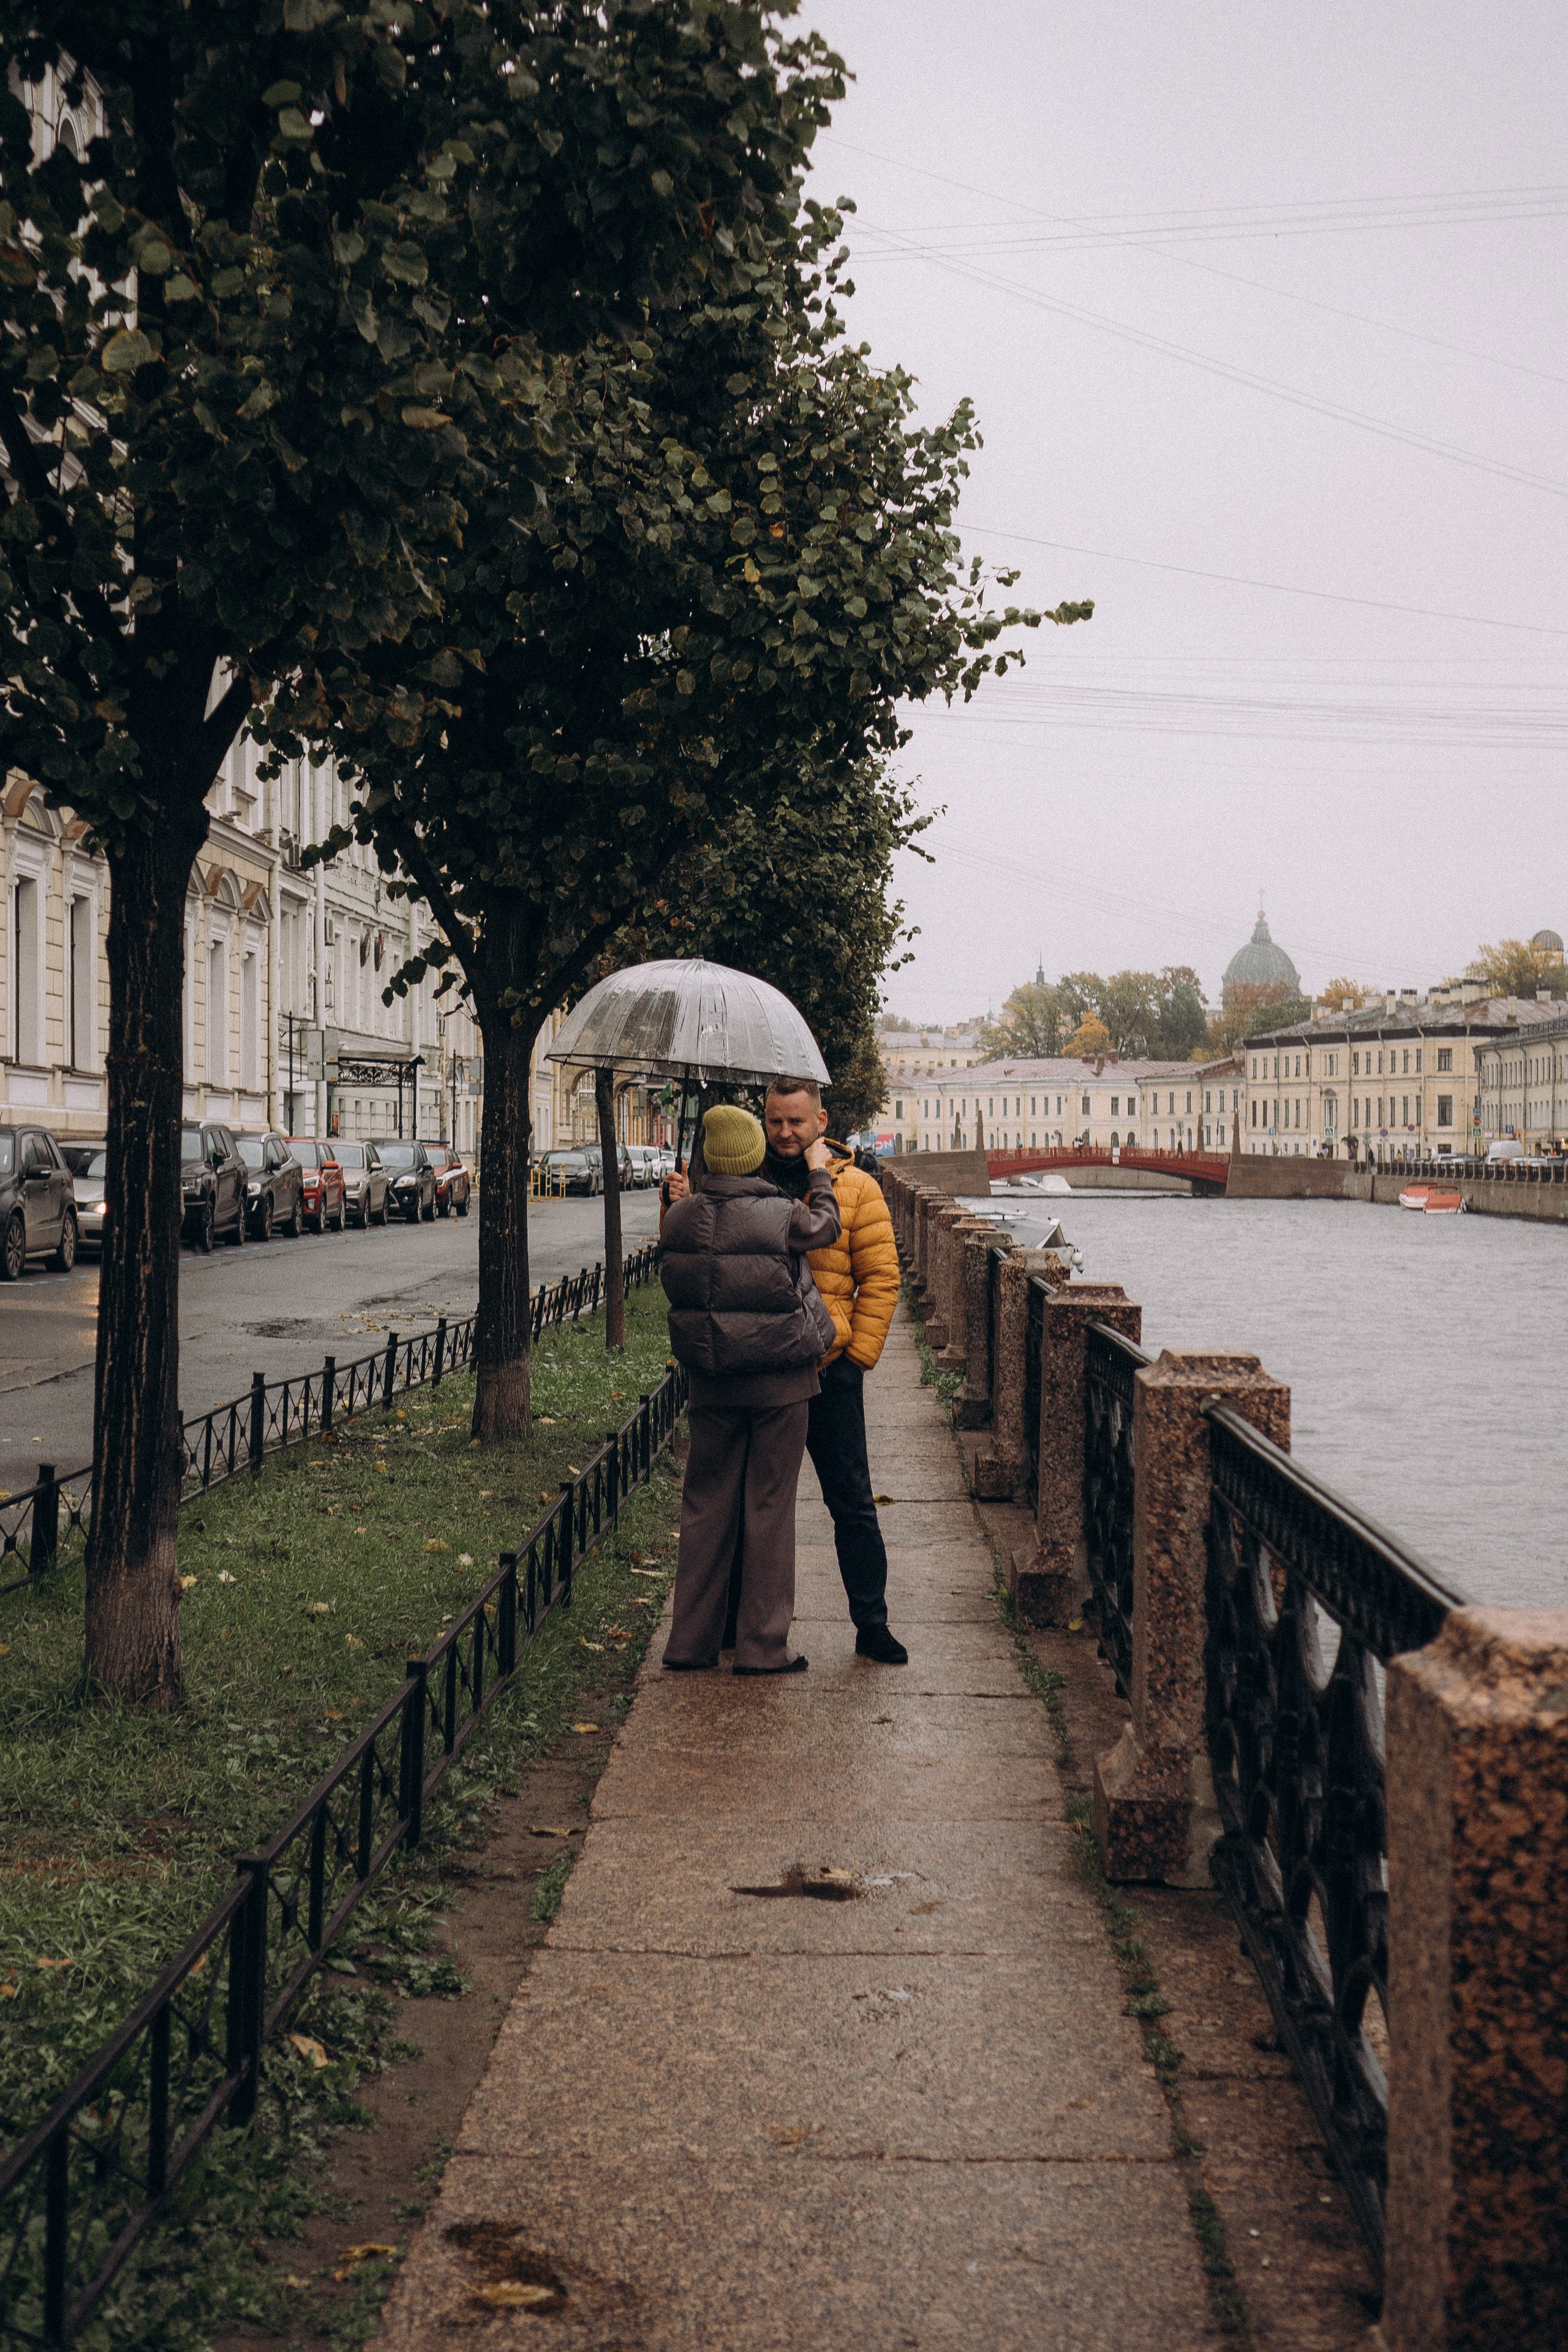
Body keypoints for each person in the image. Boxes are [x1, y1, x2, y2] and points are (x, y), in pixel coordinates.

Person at [667, 1077, 907, 1665]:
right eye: (775, 1121)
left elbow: (881, 1277)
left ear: (821, 1123)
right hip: (764, 1370)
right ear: (762, 1126)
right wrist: (679, 1201)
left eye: (797, 1122)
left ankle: (871, 1623)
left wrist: (855, 1358)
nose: (786, 1132)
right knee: (752, 1506)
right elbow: (704, 1264)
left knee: (850, 1499)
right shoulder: (746, 1185)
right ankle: (734, 1628)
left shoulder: (858, 1190)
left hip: (828, 1369)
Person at [660, 1104, 840, 1675]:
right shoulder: (782, 1212)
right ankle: (763, 1646)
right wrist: (819, 1173)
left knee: (705, 1507)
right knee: (768, 1507)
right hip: (779, 1384)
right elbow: (826, 1228)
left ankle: (690, 1642)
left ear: (712, 1156)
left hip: (712, 1384)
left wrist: (682, 1201)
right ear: (756, 1152)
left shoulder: (681, 1218)